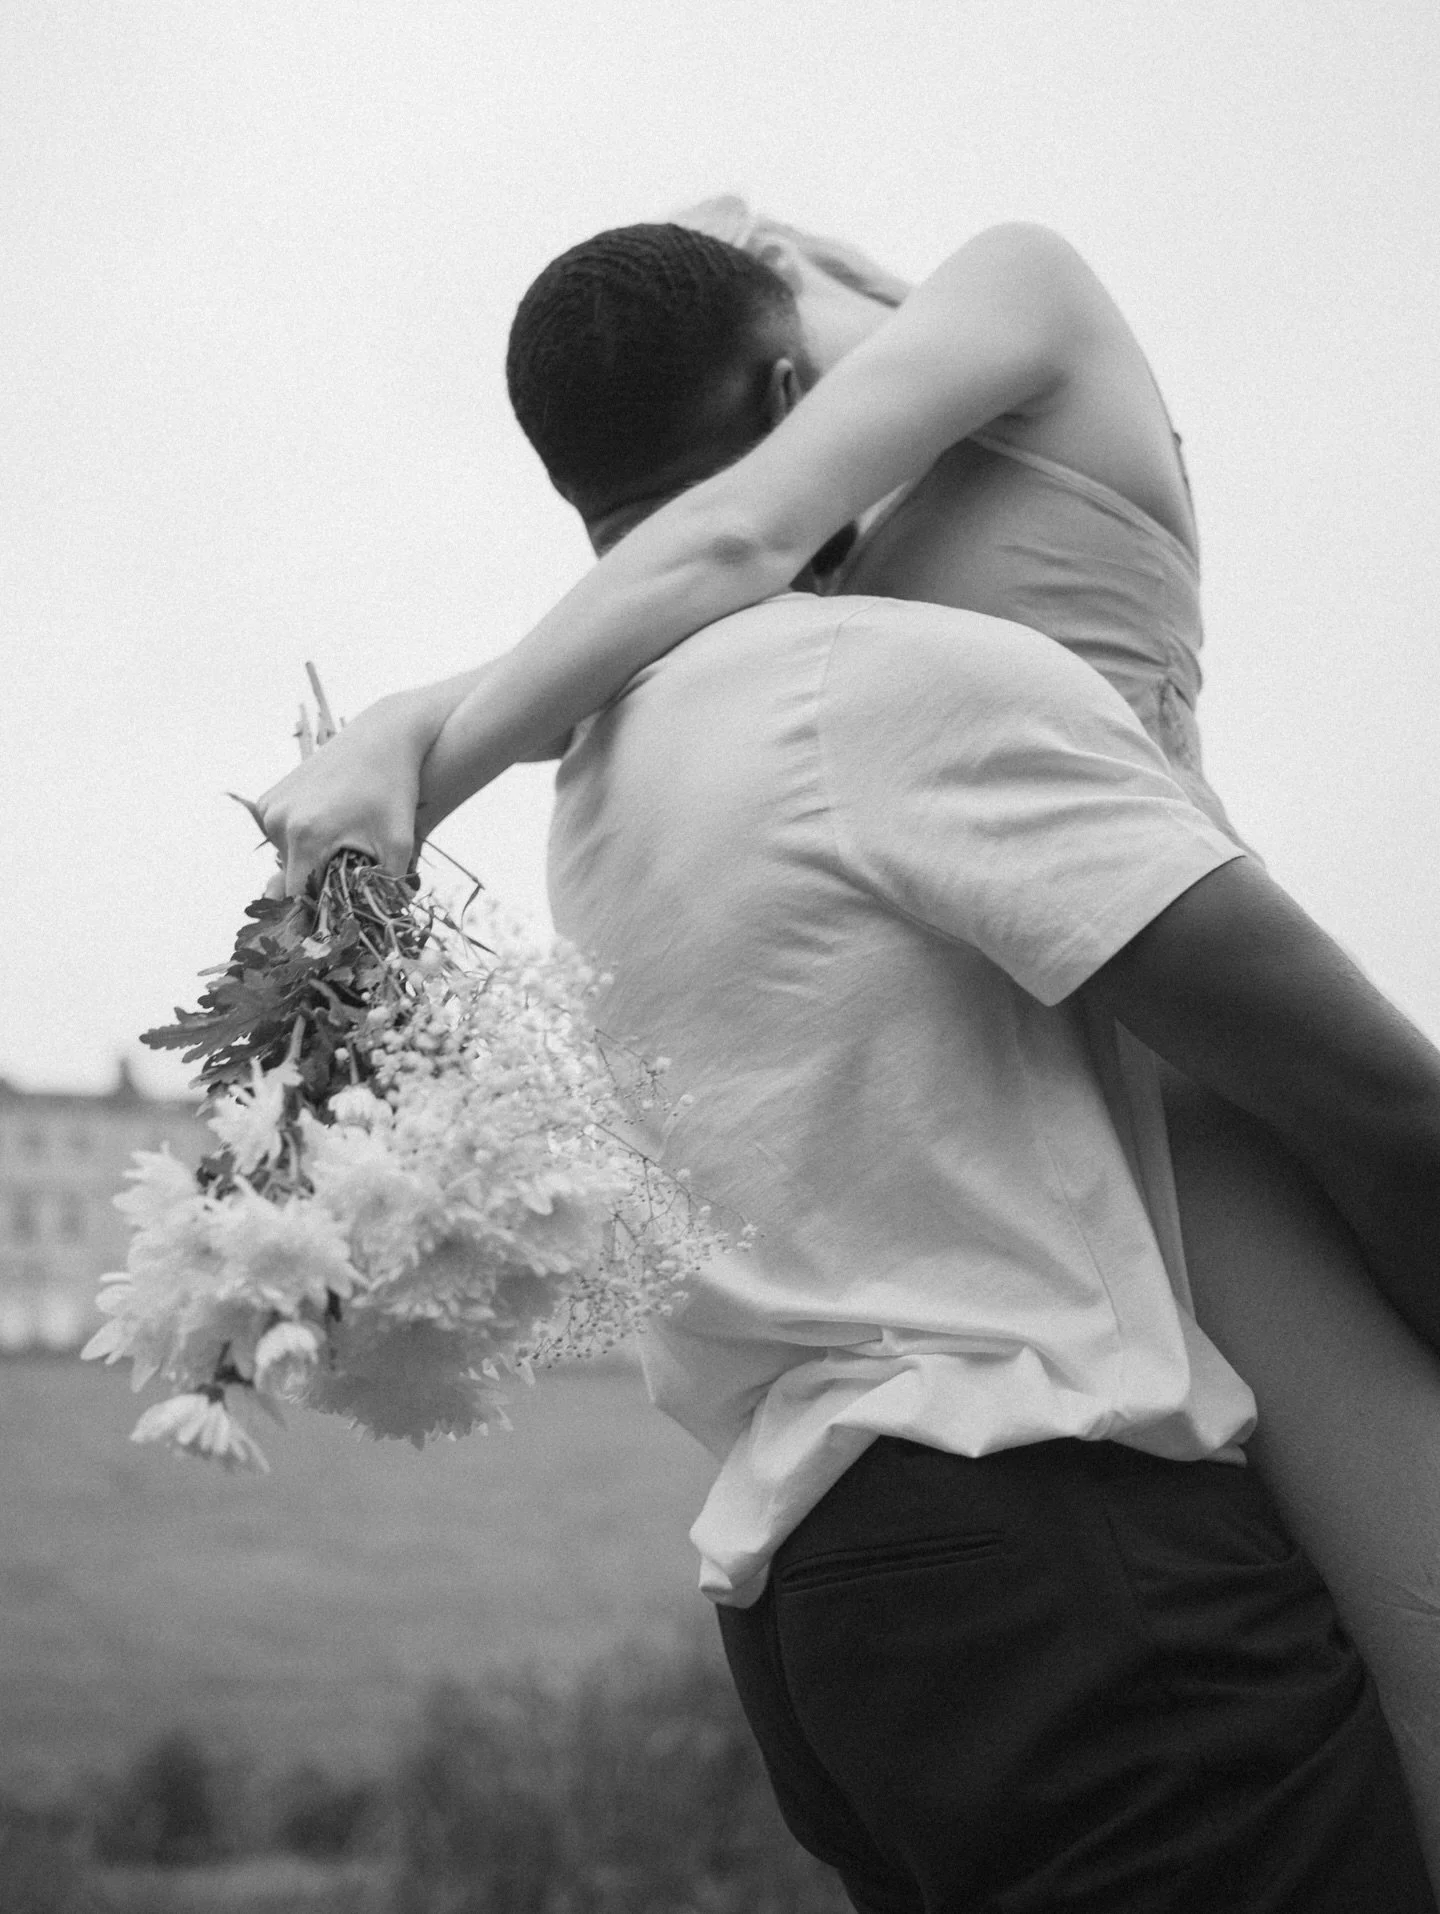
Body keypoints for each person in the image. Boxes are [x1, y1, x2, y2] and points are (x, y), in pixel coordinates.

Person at [253, 212, 1440, 1855]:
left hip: (819, 1568)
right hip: (1123, 1206)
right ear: (790, 380)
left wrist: (414, 740)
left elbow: (700, 555)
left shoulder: (634, 749)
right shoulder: (849, 661)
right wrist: (416, 746)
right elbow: (715, 551)